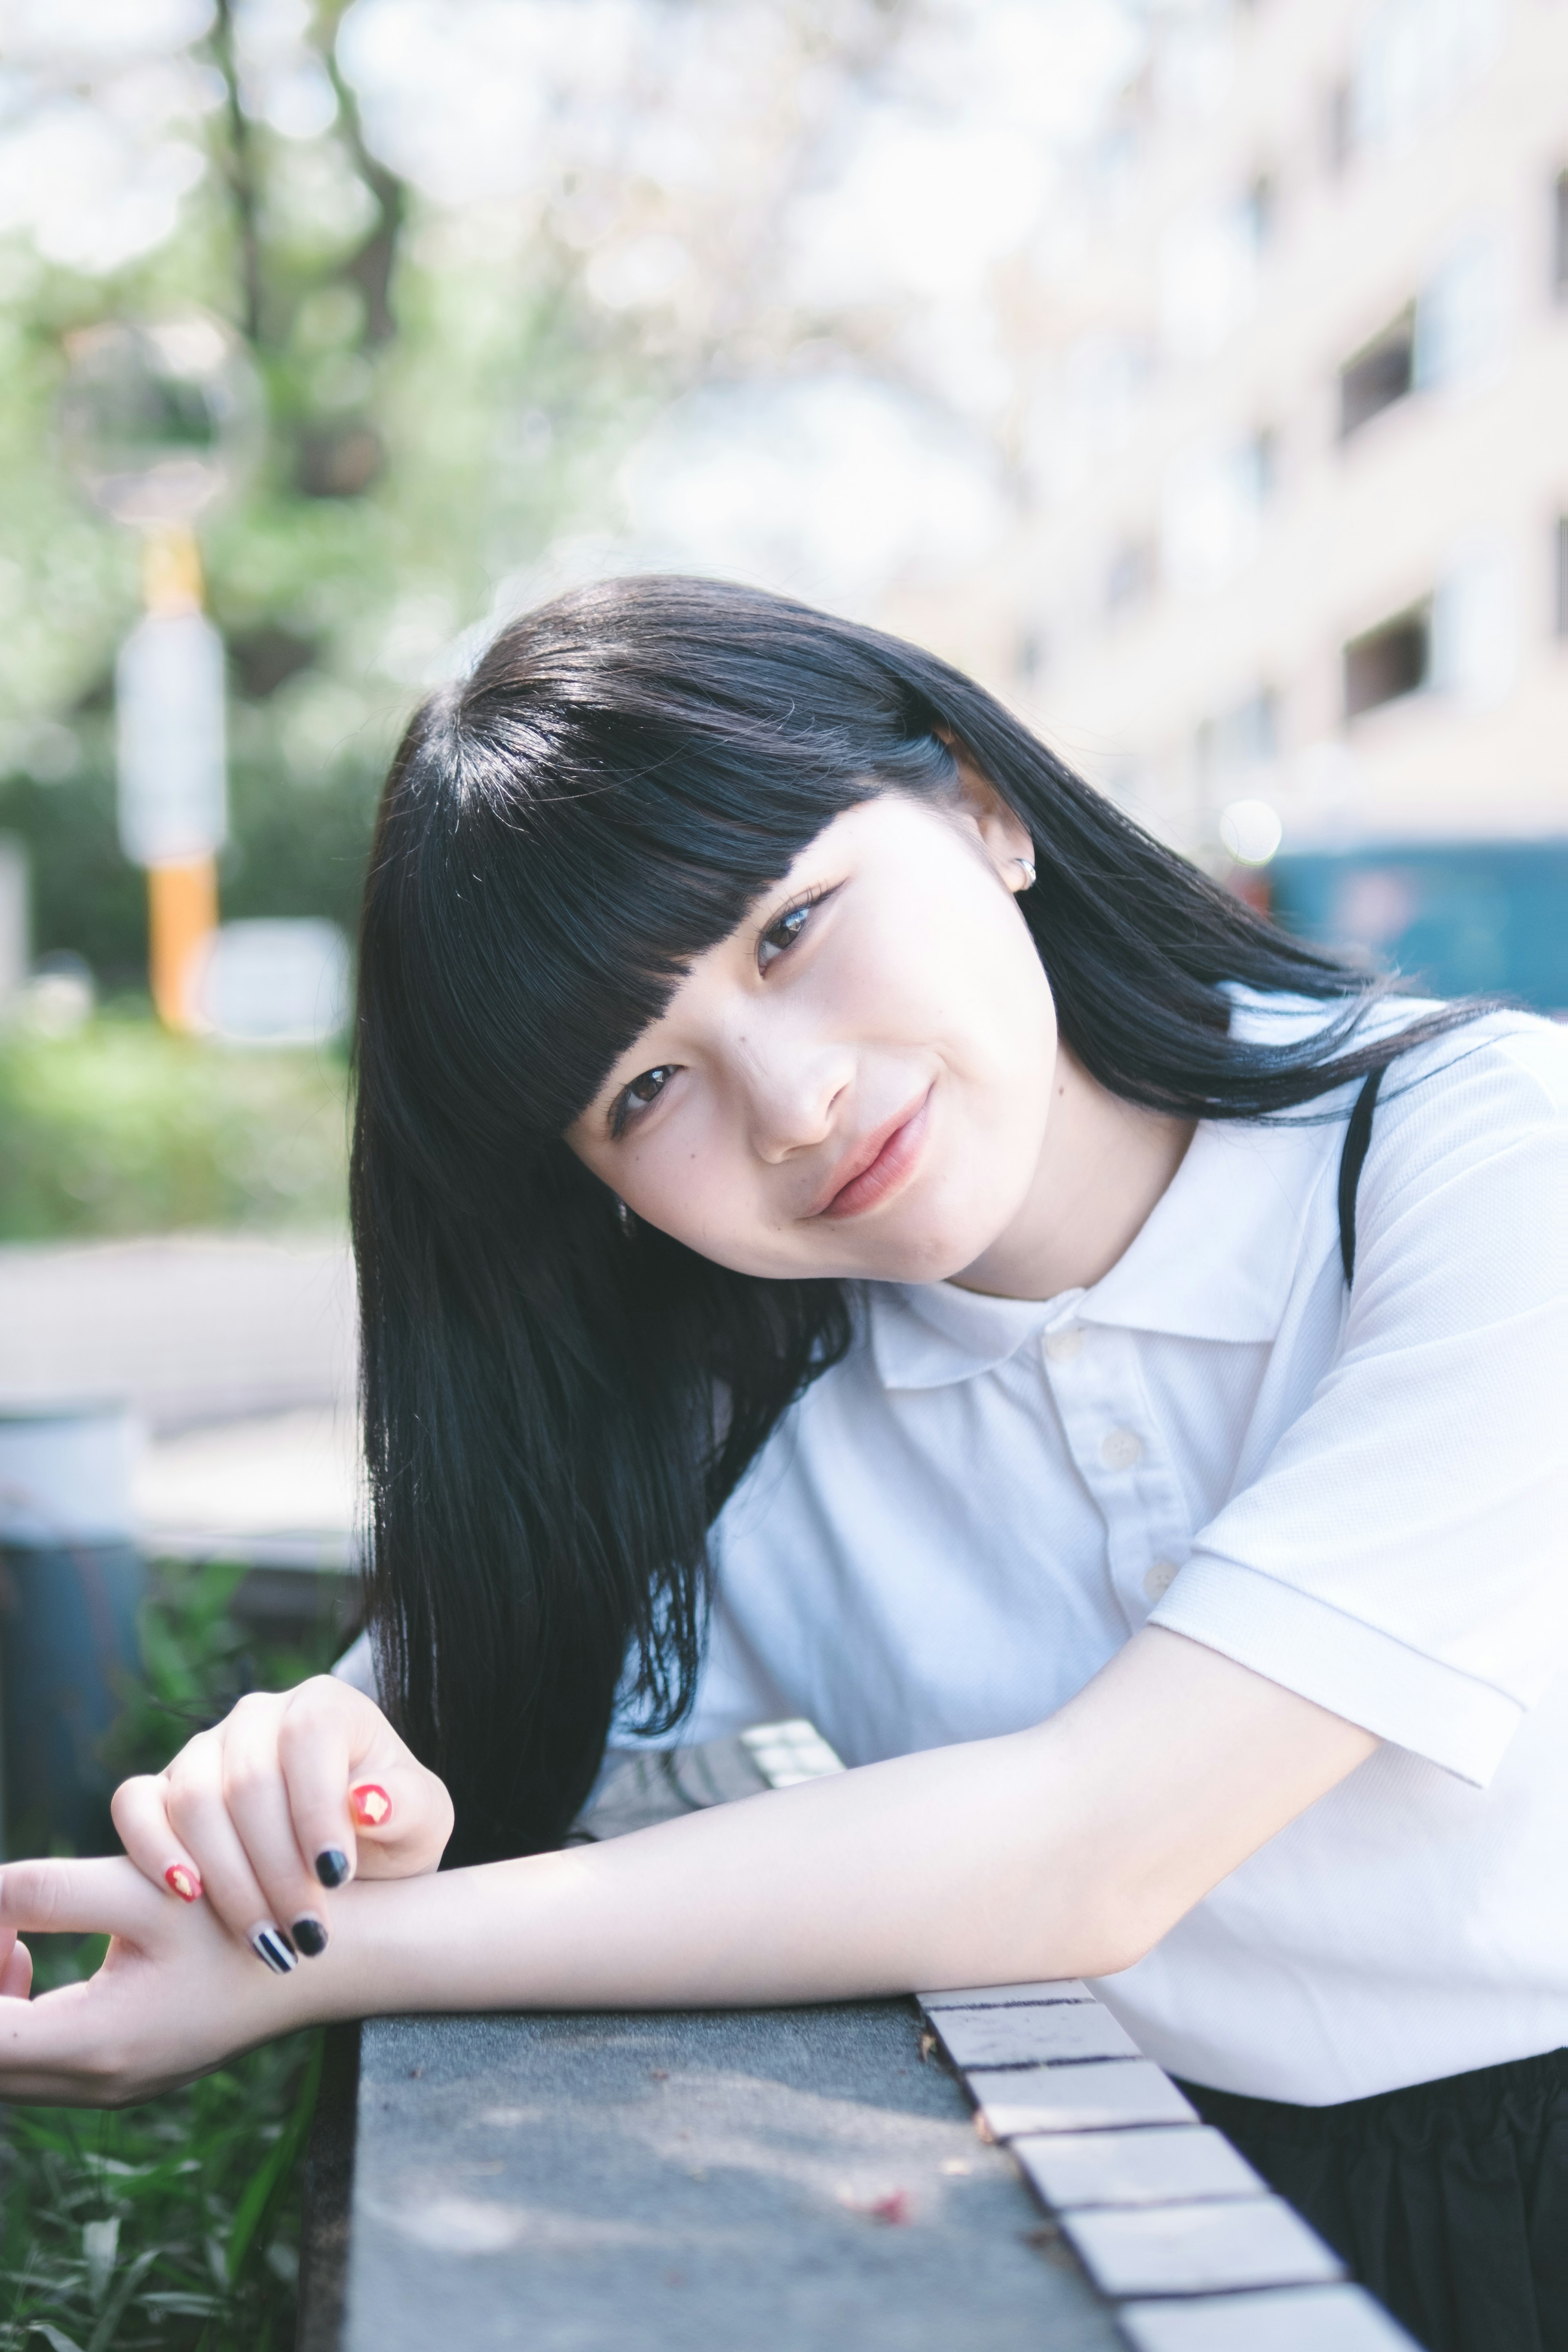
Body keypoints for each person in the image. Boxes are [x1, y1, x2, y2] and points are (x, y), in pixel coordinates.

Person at [1, 579, 1563, 2352]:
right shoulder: (739, 1410)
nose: (793, 1100)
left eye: (789, 929)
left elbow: (1103, 1845)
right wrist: (304, 1788)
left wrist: (304, 1972)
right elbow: (403, 1756)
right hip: (1128, 2194)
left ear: (982, 804)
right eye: (643, 1092)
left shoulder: (1481, 1160)